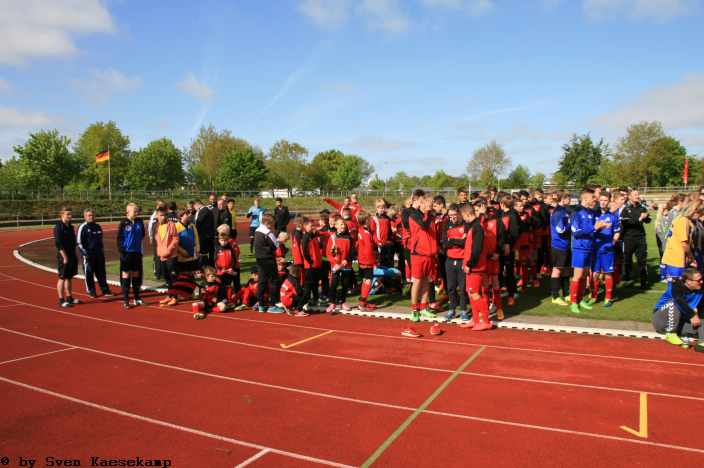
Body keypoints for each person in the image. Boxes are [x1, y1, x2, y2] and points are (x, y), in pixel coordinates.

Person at [652, 268, 704, 352]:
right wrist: (692, 315)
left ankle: (702, 342)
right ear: (688, 281)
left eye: (702, 279)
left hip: (680, 321)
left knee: (701, 318)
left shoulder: (700, 289)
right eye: (698, 280)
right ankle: (671, 333)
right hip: (660, 319)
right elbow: (679, 301)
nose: (701, 282)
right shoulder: (676, 286)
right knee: (674, 302)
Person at [569, 189, 604, 314]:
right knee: (578, 276)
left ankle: (580, 299)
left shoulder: (592, 212)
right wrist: (594, 227)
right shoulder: (577, 213)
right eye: (592, 197)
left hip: (590, 247)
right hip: (580, 248)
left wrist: (602, 227)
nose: (595, 199)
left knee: (584, 276)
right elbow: (576, 232)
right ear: (585, 199)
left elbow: (594, 229)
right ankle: (573, 302)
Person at [460, 204, 492, 331]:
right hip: (474, 266)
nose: (463, 219)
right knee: (471, 292)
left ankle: (485, 321)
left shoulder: (477, 227)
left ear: (467, 214)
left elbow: (477, 249)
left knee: (474, 293)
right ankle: (475, 319)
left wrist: (469, 264)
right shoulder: (474, 226)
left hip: (475, 267)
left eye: (463, 216)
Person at [408, 192, 438, 322]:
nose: (430, 206)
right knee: (417, 281)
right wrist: (428, 213)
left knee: (427, 281)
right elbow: (424, 226)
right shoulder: (415, 215)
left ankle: (424, 307)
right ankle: (414, 310)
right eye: (429, 204)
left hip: (429, 254)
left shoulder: (430, 216)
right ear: (422, 203)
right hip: (418, 254)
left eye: (431, 204)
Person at [589, 193, 621, 308]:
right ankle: (594, 296)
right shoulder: (593, 215)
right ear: (599, 201)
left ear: (609, 201)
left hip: (608, 249)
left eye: (605, 200)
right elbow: (589, 230)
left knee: (608, 273)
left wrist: (613, 242)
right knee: (595, 274)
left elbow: (617, 232)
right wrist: (597, 227)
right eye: (601, 200)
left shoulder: (613, 217)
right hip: (595, 248)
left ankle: (608, 298)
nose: (603, 202)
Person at [661, 201, 703, 282]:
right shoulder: (683, 221)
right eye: (700, 213)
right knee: (677, 286)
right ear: (694, 211)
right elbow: (684, 243)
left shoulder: (682, 219)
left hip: (675, 257)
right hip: (676, 259)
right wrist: (692, 258)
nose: (700, 216)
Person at [77, 208, 112, 298]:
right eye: (89, 215)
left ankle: (105, 290)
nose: (91, 217)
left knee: (101, 273)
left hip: (99, 254)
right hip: (88, 255)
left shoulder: (98, 226)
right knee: (89, 274)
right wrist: (86, 254)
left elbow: (100, 241)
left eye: (92, 215)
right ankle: (91, 291)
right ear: (85, 216)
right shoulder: (83, 227)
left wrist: (102, 252)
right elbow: (79, 242)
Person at [620, 190, 651, 289]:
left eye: (638, 194)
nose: (637, 196)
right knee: (627, 259)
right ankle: (627, 277)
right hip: (628, 238)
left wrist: (646, 217)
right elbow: (626, 223)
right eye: (635, 195)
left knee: (642, 259)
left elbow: (648, 221)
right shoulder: (626, 209)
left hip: (640, 237)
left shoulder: (642, 208)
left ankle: (643, 281)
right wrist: (639, 219)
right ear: (630, 197)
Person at [442, 204, 468, 321]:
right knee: (451, 287)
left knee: (463, 288)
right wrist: (457, 240)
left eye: (454, 215)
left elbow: (465, 243)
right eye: (450, 215)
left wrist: (452, 240)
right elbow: (445, 243)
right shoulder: (446, 224)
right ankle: (452, 309)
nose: (452, 217)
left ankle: (463, 310)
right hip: (450, 260)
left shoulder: (465, 224)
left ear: (459, 214)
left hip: (462, 259)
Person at [117, 203, 145, 309]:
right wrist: (122, 251)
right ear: (128, 212)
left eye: (137, 211)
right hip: (126, 253)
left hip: (136, 252)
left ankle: (137, 298)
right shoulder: (123, 223)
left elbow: (142, 234)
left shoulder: (139, 221)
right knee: (126, 275)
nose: (137, 213)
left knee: (136, 275)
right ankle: (126, 300)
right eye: (135, 211)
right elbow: (119, 238)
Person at [253, 214, 283, 313]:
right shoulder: (268, 232)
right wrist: (279, 241)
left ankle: (261, 304)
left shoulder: (257, 230)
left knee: (262, 281)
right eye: (272, 224)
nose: (273, 226)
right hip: (268, 259)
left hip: (259, 259)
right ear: (267, 223)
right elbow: (275, 245)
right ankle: (272, 305)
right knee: (273, 281)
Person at [326, 217, 354, 313]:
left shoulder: (349, 238)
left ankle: (343, 302)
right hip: (335, 266)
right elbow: (328, 253)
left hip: (346, 265)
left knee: (345, 284)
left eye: (343, 224)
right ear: (336, 226)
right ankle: (332, 303)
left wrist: (347, 260)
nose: (342, 226)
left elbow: (352, 251)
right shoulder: (332, 237)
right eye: (340, 224)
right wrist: (334, 264)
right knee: (333, 284)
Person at [54, 206, 80, 308]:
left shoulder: (70, 227)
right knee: (62, 277)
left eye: (71, 214)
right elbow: (58, 244)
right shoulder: (58, 227)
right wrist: (65, 257)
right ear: (62, 215)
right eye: (68, 214)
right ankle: (61, 300)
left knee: (69, 277)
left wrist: (75, 254)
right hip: (63, 256)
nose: (70, 216)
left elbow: (74, 242)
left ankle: (69, 298)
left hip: (71, 254)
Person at [549, 192, 571, 306]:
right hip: (558, 245)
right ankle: (555, 296)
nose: (570, 200)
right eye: (569, 198)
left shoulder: (564, 210)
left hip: (565, 244)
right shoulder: (559, 212)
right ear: (563, 199)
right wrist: (571, 226)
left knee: (566, 269)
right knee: (557, 270)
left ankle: (566, 293)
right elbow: (560, 229)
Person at [214, 224, 240, 310]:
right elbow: (216, 259)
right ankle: (225, 299)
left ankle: (237, 299)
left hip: (233, 268)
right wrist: (219, 269)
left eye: (221, 231)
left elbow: (235, 256)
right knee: (223, 285)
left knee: (235, 284)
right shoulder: (218, 245)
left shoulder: (232, 243)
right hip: (223, 270)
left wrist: (232, 268)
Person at [357, 213, 378, 312]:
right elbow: (369, 249)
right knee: (368, 281)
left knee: (365, 280)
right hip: (367, 259)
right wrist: (374, 262)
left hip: (362, 259)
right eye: (369, 219)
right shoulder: (365, 233)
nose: (370, 221)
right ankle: (362, 303)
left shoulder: (361, 230)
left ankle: (363, 301)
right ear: (366, 221)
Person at [301, 217, 323, 308]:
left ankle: (315, 299)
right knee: (309, 285)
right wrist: (310, 261)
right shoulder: (306, 237)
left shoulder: (313, 236)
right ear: (305, 226)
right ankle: (304, 303)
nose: (313, 227)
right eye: (311, 226)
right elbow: (304, 251)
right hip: (310, 265)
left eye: (313, 226)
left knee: (315, 284)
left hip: (316, 264)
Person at [154, 206, 178, 289]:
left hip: (171, 255)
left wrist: (169, 250)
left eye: (164, 215)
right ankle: (169, 291)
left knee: (172, 276)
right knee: (166, 276)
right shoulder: (156, 226)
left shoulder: (171, 224)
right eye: (161, 215)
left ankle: (174, 293)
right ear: (157, 216)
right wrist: (159, 251)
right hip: (162, 255)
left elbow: (175, 239)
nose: (163, 217)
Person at [147, 200, 166, 282]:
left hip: (163, 238)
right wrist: (151, 237)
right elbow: (150, 227)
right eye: (160, 205)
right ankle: (157, 273)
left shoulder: (164, 213)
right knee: (157, 257)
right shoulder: (154, 216)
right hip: (156, 238)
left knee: (164, 256)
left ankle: (163, 273)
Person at [194, 199, 215, 267]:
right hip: (208, 235)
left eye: (194, 207)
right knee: (207, 252)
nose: (195, 209)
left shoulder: (203, 211)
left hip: (203, 236)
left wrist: (194, 229)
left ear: (197, 204)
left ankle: (203, 266)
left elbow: (198, 223)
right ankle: (207, 266)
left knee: (203, 253)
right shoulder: (208, 210)